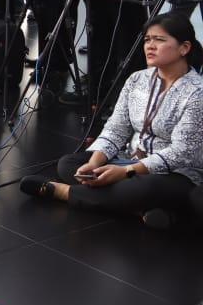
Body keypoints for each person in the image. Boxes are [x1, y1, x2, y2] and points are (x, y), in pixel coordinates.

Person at [20, 13, 203, 230]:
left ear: (184, 48)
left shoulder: (197, 92)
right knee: (70, 165)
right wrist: (96, 162)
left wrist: (128, 171)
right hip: (129, 159)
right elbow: (116, 128)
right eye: (147, 40)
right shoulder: (138, 79)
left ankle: (64, 193)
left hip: (178, 174)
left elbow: (182, 152)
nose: (150, 46)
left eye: (159, 40)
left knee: (144, 188)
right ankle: (142, 210)